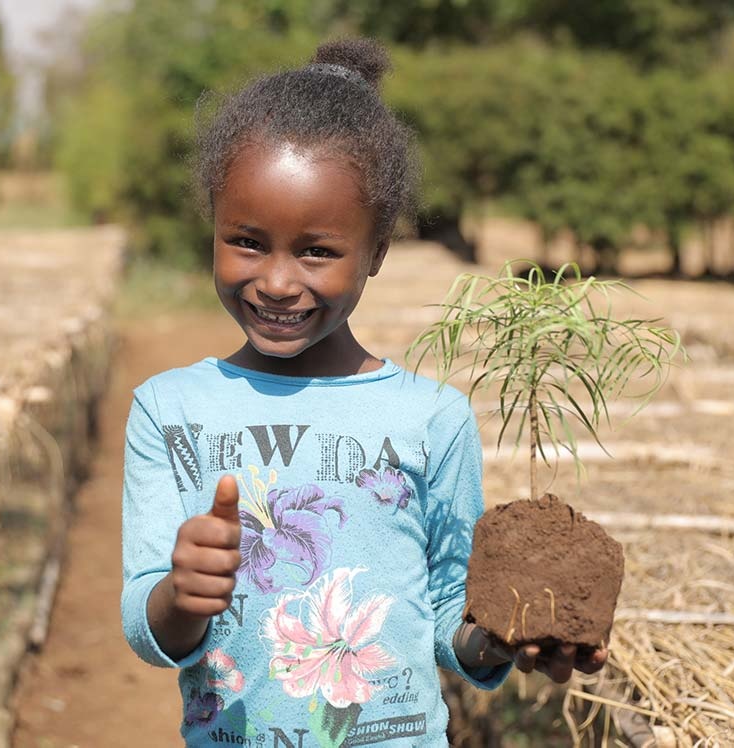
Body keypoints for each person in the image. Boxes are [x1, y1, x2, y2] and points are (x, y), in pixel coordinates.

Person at [121, 38, 607, 746]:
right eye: (247, 241)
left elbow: (450, 619)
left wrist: (506, 637)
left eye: (317, 251)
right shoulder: (169, 411)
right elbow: (146, 618)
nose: (279, 281)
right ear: (214, 228)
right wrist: (180, 596)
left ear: (377, 250)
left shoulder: (430, 418)